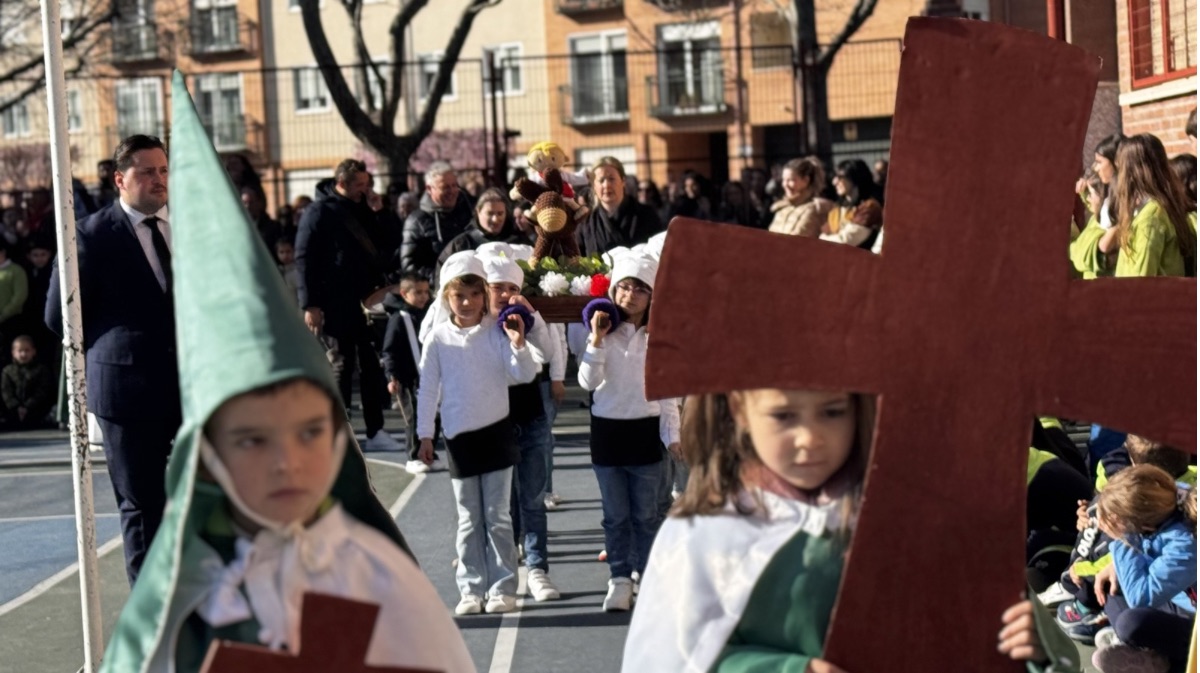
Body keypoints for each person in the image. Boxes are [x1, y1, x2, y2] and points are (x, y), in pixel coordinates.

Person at [98, 83, 475, 671]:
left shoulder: (375, 580)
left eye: (306, 433)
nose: (284, 462)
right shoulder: (175, 609)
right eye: (252, 440)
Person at [621, 388, 1079, 673]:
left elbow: (979, 626)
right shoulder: (710, 531)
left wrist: (1036, 643)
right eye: (784, 416)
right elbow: (675, 656)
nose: (810, 438)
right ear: (741, 410)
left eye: (833, 412)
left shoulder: (914, 515)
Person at [46, 134, 181, 586]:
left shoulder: (190, 229)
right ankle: (151, 610)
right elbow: (57, 318)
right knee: (143, 505)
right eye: (147, 172)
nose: (158, 180)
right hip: (127, 395)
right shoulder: (87, 235)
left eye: (163, 170)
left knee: (209, 494)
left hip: (193, 387)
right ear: (120, 179)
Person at [416, 251, 537, 616]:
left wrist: (518, 343)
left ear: (485, 295)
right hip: (459, 440)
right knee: (469, 518)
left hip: (497, 436)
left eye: (474, 295)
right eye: (458, 296)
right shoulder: (437, 339)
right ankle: (471, 590)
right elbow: (428, 389)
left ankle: (502, 587)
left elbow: (523, 374)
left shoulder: (498, 332)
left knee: (498, 515)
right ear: (446, 298)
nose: (467, 303)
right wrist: (424, 435)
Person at [578, 252, 680, 612]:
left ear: (652, 297)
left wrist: (673, 436)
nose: (631, 295)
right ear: (613, 290)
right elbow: (588, 381)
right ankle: (619, 578)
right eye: (624, 287)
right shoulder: (601, 332)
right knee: (615, 515)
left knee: (647, 515)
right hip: (607, 435)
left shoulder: (659, 338)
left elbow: (667, 395)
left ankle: (648, 575)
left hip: (645, 434)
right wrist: (595, 340)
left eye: (640, 289)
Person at [295, 159, 402, 453]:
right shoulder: (319, 212)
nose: (365, 190)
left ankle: (375, 429)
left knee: (370, 365)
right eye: (360, 185)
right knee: (342, 365)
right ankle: (340, 431)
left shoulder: (367, 208)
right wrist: (310, 304)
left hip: (367, 300)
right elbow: (304, 259)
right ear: (342, 182)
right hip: (334, 302)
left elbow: (391, 244)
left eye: (367, 185)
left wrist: (382, 213)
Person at [479, 252, 562, 603]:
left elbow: (545, 351)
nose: (504, 294)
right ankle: (503, 566)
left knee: (532, 498)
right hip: (492, 421)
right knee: (498, 503)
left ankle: (538, 568)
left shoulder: (523, 319)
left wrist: (532, 316)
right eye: (497, 287)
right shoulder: (475, 325)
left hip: (530, 418)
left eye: (511, 287)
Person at [1089, 465, 1196, 673]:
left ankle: (1160, 662)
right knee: (1112, 584)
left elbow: (1141, 598)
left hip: (1194, 624)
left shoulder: (1187, 545)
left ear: (1143, 526)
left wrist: (1122, 539)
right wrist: (1115, 564)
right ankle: (1146, 653)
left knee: (1131, 623)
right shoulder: (1170, 496)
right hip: (1182, 599)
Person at [1098, 133, 1196, 277]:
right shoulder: (1157, 208)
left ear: (1131, 171)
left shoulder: (1151, 217)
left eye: (1121, 167)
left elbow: (1142, 280)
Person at [380, 272, 443, 474]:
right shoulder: (399, 319)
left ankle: (430, 452)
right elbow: (389, 351)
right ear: (404, 293)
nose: (424, 296)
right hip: (407, 378)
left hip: (430, 375)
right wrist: (392, 376)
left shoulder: (430, 315)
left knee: (434, 414)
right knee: (414, 416)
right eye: (418, 292)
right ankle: (414, 454)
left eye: (427, 292)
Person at [435, 188, 529, 284]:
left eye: (500, 213)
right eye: (490, 213)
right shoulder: (461, 244)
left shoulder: (519, 242)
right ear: (478, 211)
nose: (495, 219)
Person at [576, 157, 665, 257]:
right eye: (601, 180)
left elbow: (661, 253)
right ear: (594, 186)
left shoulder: (646, 215)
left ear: (623, 181)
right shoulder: (586, 223)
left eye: (611, 179)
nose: (607, 185)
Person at [401, 162, 475, 281]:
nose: (452, 191)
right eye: (445, 187)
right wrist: (441, 278)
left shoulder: (469, 212)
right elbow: (410, 265)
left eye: (454, 185)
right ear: (429, 189)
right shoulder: (416, 221)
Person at [821, 158, 883, 249]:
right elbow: (823, 234)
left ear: (854, 178)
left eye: (840, 177)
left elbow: (846, 241)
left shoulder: (869, 207)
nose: (834, 182)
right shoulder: (836, 209)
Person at [768, 156, 833, 237]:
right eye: (784, 180)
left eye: (791, 180)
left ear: (806, 180)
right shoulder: (782, 208)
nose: (785, 185)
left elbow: (797, 241)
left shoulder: (815, 209)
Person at [2, 335, 53, 429]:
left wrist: (27, 406)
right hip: (12, 412)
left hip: (35, 411)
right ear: (13, 353)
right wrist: (16, 407)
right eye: (20, 351)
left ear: (33, 351)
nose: (23, 354)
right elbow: (6, 391)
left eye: (27, 350)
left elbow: (43, 391)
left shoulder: (41, 370)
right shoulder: (8, 371)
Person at [0, 237, 29, 362]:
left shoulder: (16, 271)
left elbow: (19, 297)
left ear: (3, 252)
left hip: (10, 322)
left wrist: (3, 315)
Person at [241, 185, 281, 252]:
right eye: (244, 203)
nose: (247, 207)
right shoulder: (235, 227)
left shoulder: (273, 227)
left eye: (251, 202)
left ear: (259, 203)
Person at [274, 234, 299, 306]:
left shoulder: (298, 271)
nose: (285, 256)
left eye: (288, 251)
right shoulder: (279, 271)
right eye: (281, 252)